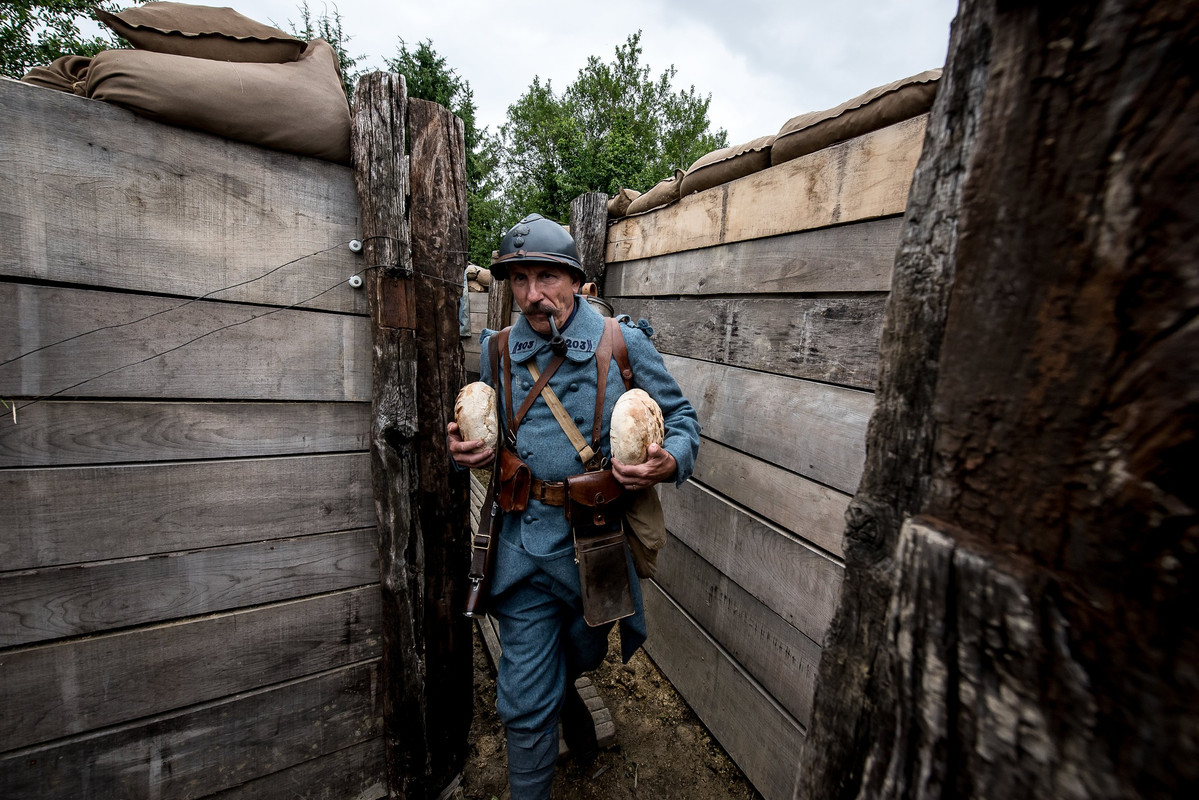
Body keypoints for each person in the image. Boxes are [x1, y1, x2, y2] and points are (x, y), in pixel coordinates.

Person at [447, 213, 700, 799]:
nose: (532, 295)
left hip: (597, 547)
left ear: (574, 278)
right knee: (524, 697)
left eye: (546, 278)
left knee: (584, 652)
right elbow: (483, 420)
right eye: (518, 280)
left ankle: (566, 693)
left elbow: (682, 421)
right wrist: (464, 443)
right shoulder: (499, 350)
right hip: (523, 547)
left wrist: (669, 459)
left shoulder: (622, 342)